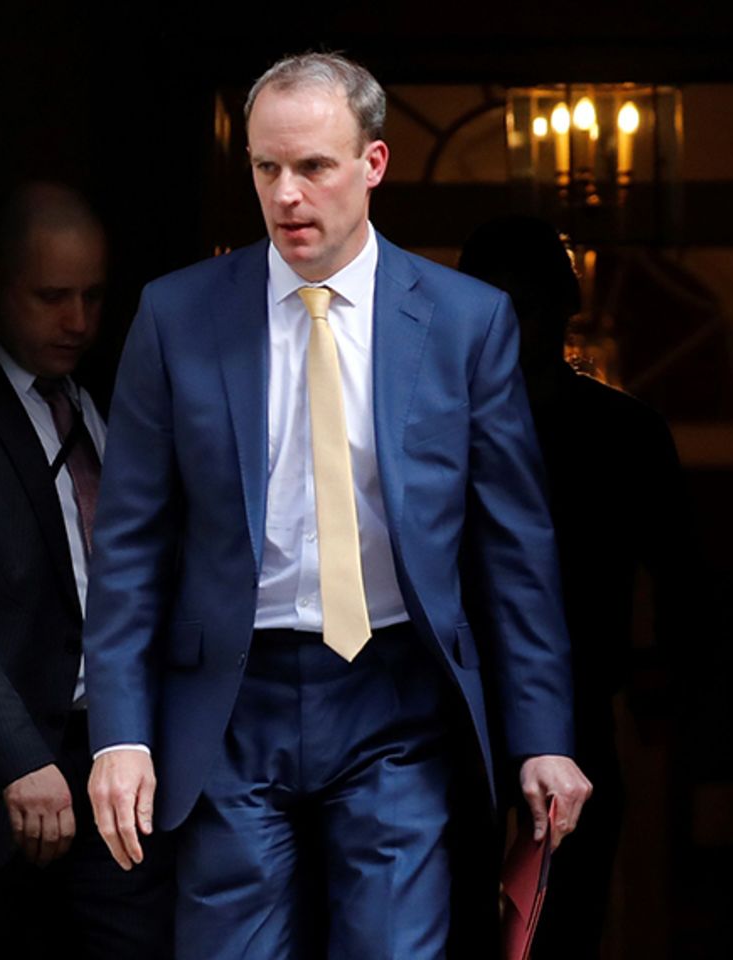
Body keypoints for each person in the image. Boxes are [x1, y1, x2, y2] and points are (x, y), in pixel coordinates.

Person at [83, 53, 592, 959]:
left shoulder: (466, 322)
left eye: (313, 166)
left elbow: (515, 552)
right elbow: (129, 545)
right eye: (265, 168)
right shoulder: (177, 314)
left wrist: (543, 738)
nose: (287, 195)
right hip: (230, 701)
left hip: (395, 697)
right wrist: (118, 733)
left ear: (374, 164)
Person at [460, 216, 703, 957]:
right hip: (451, 707)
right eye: (491, 309)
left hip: (583, 706)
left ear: (561, 308)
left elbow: (682, 574)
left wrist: (667, 692)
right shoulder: (432, 432)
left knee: (567, 920)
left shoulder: (625, 434)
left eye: (523, 308)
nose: (507, 330)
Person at [0, 182, 174, 960]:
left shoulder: (105, 391)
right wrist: (18, 756)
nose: (77, 321)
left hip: (119, 754)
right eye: (51, 296)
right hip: (2, 775)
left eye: (92, 296)